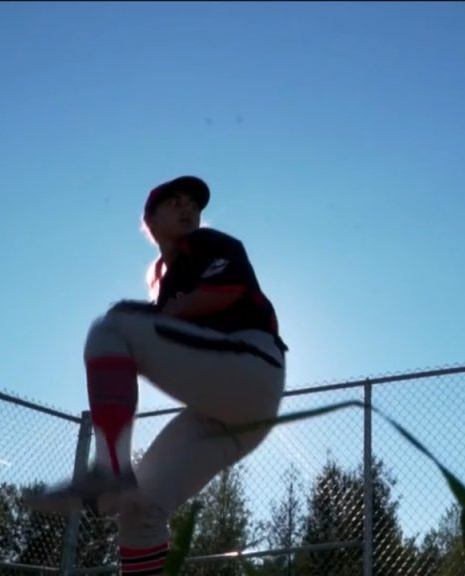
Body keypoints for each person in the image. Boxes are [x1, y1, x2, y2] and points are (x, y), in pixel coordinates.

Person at [26, 175, 287, 575]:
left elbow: (223, 292)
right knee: (140, 510)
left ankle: (110, 470)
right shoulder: (167, 277)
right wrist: (155, 319)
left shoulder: (209, 244)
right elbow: (175, 335)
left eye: (194, 205)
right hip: (227, 411)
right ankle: (118, 482)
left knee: (111, 327)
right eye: (175, 202)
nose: (188, 209)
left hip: (252, 367)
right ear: (149, 221)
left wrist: (149, 319)